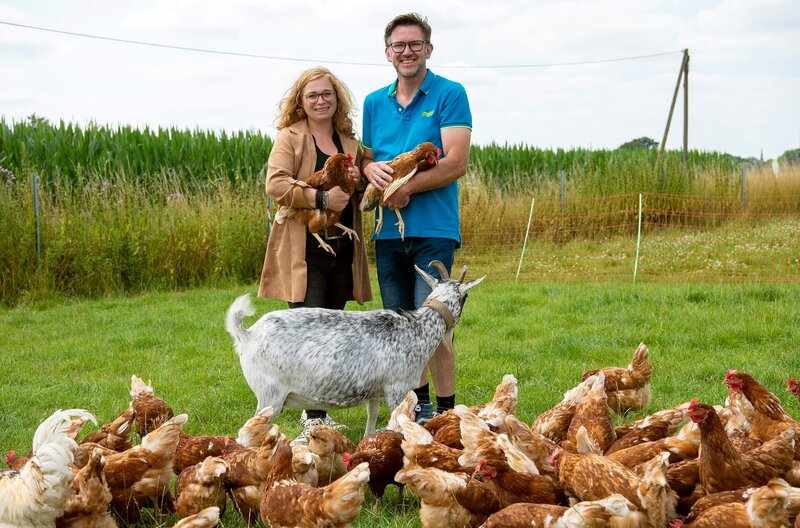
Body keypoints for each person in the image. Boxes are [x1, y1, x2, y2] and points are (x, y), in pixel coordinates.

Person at [361, 13, 472, 424]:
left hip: (433, 228)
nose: (406, 51)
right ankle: (417, 406)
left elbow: (456, 162)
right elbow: (369, 158)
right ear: (387, 52)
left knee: (436, 322)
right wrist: (371, 170)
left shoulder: (449, 94)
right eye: (398, 45)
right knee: (400, 326)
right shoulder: (374, 103)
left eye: (414, 44)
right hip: (387, 231)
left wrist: (409, 187)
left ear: (429, 49)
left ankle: (446, 412)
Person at [258, 67, 372, 444]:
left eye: (327, 94)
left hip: (341, 246)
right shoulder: (289, 138)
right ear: (301, 102)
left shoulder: (350, 142)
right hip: (305, 247)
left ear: (337, 99)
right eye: (313, 96)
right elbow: (275, 184)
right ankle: (313, 417)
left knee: (334, 331)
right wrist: (322, 197)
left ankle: (323, 409)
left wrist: (367, 174)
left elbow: (369, 170)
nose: (321, 101)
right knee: (308, 332)